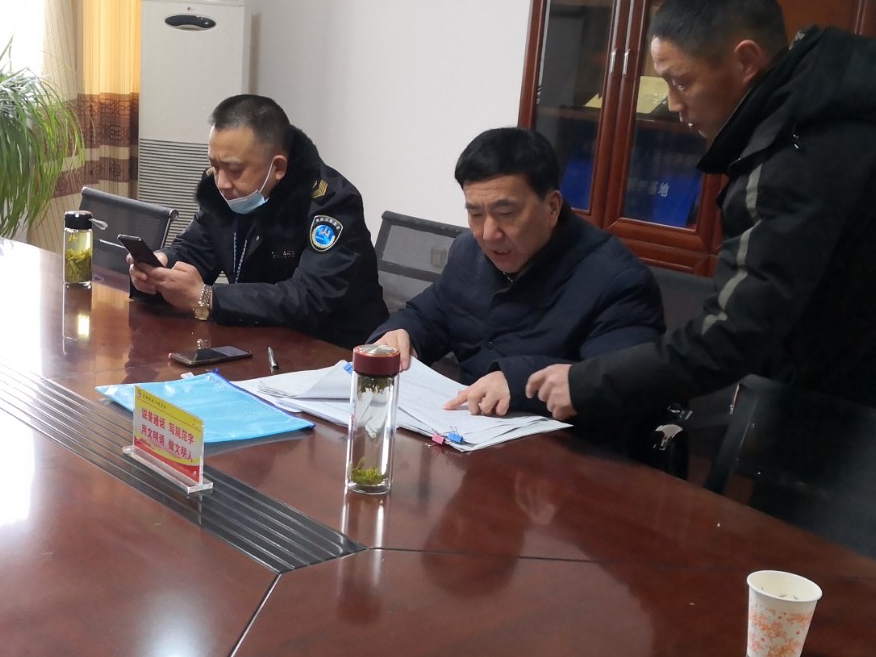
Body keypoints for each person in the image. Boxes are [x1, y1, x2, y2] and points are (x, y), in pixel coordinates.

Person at [527, 0, 876, 437]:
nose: (672, 104)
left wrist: (586, 382)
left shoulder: (799, 155)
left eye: (681, 82)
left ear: (746, 60)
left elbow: (734, 333)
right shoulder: (845, 107)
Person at [372, 127, 663, 449]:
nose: (489, 233)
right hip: (470, 443)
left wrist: (519, 381)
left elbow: (619, 383)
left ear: (552, 207)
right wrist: (402, 332)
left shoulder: (617, 280)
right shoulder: (469, 252)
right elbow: (431, 315)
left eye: (506, 214)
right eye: (475, 214)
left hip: (563, 456)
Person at [129, 94, 388, 349]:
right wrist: (160, 266)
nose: (221, 183)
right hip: (257, 340)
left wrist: (208, 297)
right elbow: (195, 250)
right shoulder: (223, 189)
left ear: (278, 167)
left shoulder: (331, 203)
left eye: (234, 169)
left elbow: (309, 298)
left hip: (333, 352)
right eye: (215, 166)